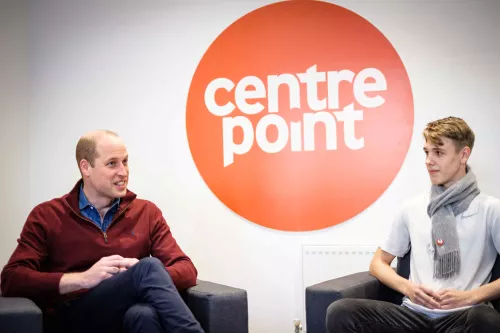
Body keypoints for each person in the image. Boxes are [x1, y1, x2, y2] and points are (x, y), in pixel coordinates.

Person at [0, 130, 205, 333]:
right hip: (74, 316)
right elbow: (12, 278)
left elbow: (187, 270)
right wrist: (84, 278)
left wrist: (142, 277)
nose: (123, 172)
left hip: (126, 315)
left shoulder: (147, 212)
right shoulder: (47, 215)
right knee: (148, 267)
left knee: (144, 314)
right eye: (112, 163)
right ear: (86, 167)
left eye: (125, 162)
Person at [326, 117, 500, 332]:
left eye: (439, 152)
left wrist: (470, 296)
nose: (429, 160)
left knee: (487, 319)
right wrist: (409, 288)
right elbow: (378, 263)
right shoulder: (411, 208)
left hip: (463, 315)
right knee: (341, 311)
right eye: (426, 152)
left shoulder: (491, 209)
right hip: (413, 315)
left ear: (464, 154)